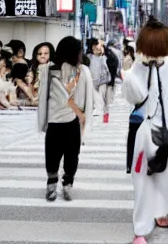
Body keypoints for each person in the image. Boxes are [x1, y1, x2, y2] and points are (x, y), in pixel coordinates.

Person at [122, 20, 168, 244]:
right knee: (142, 179)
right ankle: (141, 229)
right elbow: (134, 97)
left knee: (167, 176)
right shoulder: (139, 67)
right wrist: (134, 75)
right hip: (146, 130)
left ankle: (161, 211)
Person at [37, 36, 93, 202]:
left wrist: (43, 121)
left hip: (54, 120)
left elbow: (43, 97)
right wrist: (85, 122)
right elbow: (87, 99)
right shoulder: (82, 70)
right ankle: (67, 184)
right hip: (73, 120)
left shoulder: (50, 69)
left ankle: (52, 185)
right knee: (72, 154)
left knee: (52, 154)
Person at [87, 38, 114, 124]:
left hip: (103, 81)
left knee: (102, 99)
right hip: (92, 82)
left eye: (98, 46)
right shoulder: (89, 57)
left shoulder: (105, 57)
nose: (97, 48)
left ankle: (104, 117)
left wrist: (103, 54)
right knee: (93, 100)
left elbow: (109, 67)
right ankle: (93, 116)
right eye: (95, 47)